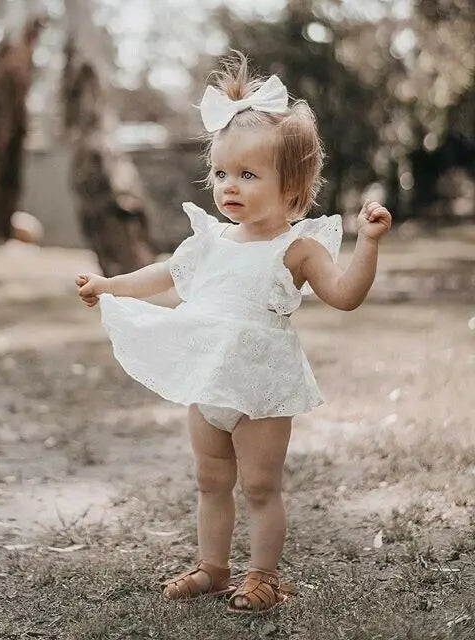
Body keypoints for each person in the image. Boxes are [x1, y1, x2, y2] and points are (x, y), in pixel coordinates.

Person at [75, 51, 392, 614]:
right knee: (210, 478)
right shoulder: (211, 241)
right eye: (222, 174)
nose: (229, 186)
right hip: (210, 380)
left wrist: (367, 245)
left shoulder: (298, 248)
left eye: (248, 175)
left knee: (261, 486)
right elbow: (164, 275)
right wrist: (110, 284)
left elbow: (345, 296)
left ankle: (263, 576)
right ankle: (213, 568)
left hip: (262, 390)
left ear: (292, 187)